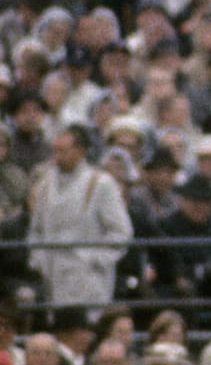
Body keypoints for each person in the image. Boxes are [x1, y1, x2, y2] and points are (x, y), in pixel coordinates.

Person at [27, 124, 133, 307]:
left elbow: (121, 232)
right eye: (55, 151)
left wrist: (93, 259)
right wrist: (39, 260)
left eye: (63, 151)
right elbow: (35, 230)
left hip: (89, 281)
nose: (57, 157)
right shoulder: (45, 184)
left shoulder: (101, 184)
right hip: (52, 278)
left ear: (80, 151)